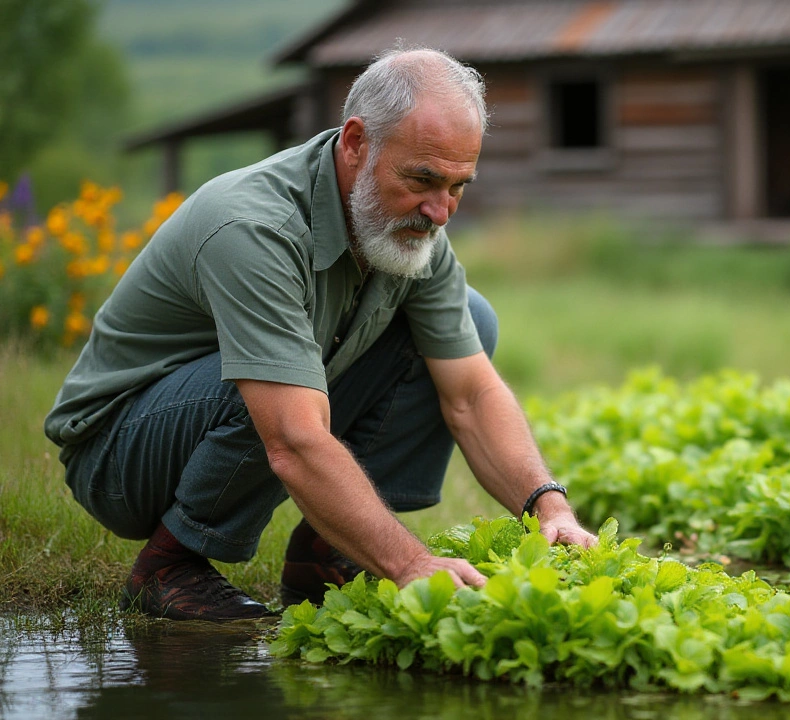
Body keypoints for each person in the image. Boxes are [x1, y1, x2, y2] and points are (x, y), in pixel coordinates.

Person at [43, 47, 597, 622]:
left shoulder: (410, 225)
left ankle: (326, 554)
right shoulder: (254, 227)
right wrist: (410, 564)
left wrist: (547, 508)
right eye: (423, 179)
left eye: (459, 185)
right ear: (355, 143)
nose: (441, 211)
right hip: (119, 451)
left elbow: (472, 394)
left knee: (472, 321)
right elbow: (292, 437)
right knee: (274, 381)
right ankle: (167, 566)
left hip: (227, 413)